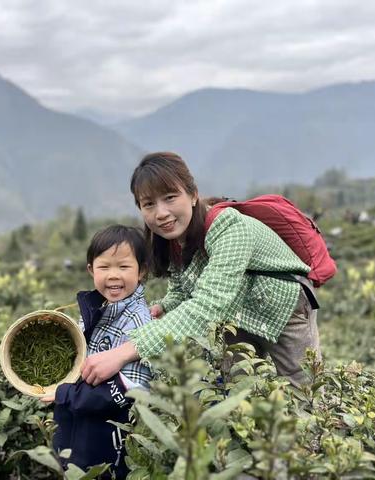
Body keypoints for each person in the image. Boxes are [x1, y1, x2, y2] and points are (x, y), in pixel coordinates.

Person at [81, 152, 321, 388]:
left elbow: (207, 305)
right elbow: (182, 290)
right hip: (236, 311)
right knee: (234, 390)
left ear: (193, 195)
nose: (161, 213)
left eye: (170, 197)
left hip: (283, 306)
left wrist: (124, 352)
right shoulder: (171, 239)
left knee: (303, 389)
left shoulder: (229, 227)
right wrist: (163, 307)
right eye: (149, 204)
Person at [50, 225, 153, 478]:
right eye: (104, 267)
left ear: (142, 270)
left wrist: (63, 394)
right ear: (91, 270)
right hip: (76, 430)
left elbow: (131, 390)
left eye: (124, 267)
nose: (113, 276)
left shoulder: (138, 322)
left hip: (106, 440)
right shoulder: (98, 310)